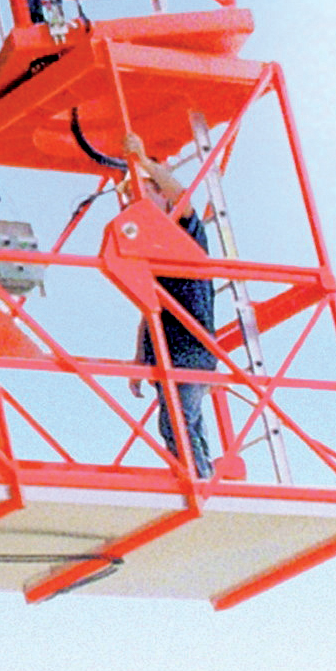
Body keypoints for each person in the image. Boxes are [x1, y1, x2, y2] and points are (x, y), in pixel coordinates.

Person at [123, 133, 218, 479]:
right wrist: (139, 359)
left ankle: (199, 481)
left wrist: (146, 164)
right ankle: (199, 477)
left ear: (161, 196)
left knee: (178, 422)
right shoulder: (155, 253)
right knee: (179, 423)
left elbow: (182, 197)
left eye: (143, 193)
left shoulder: (183, 230)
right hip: (170, 350)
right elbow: (149, 309)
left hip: (192, 348)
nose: (134, 204)